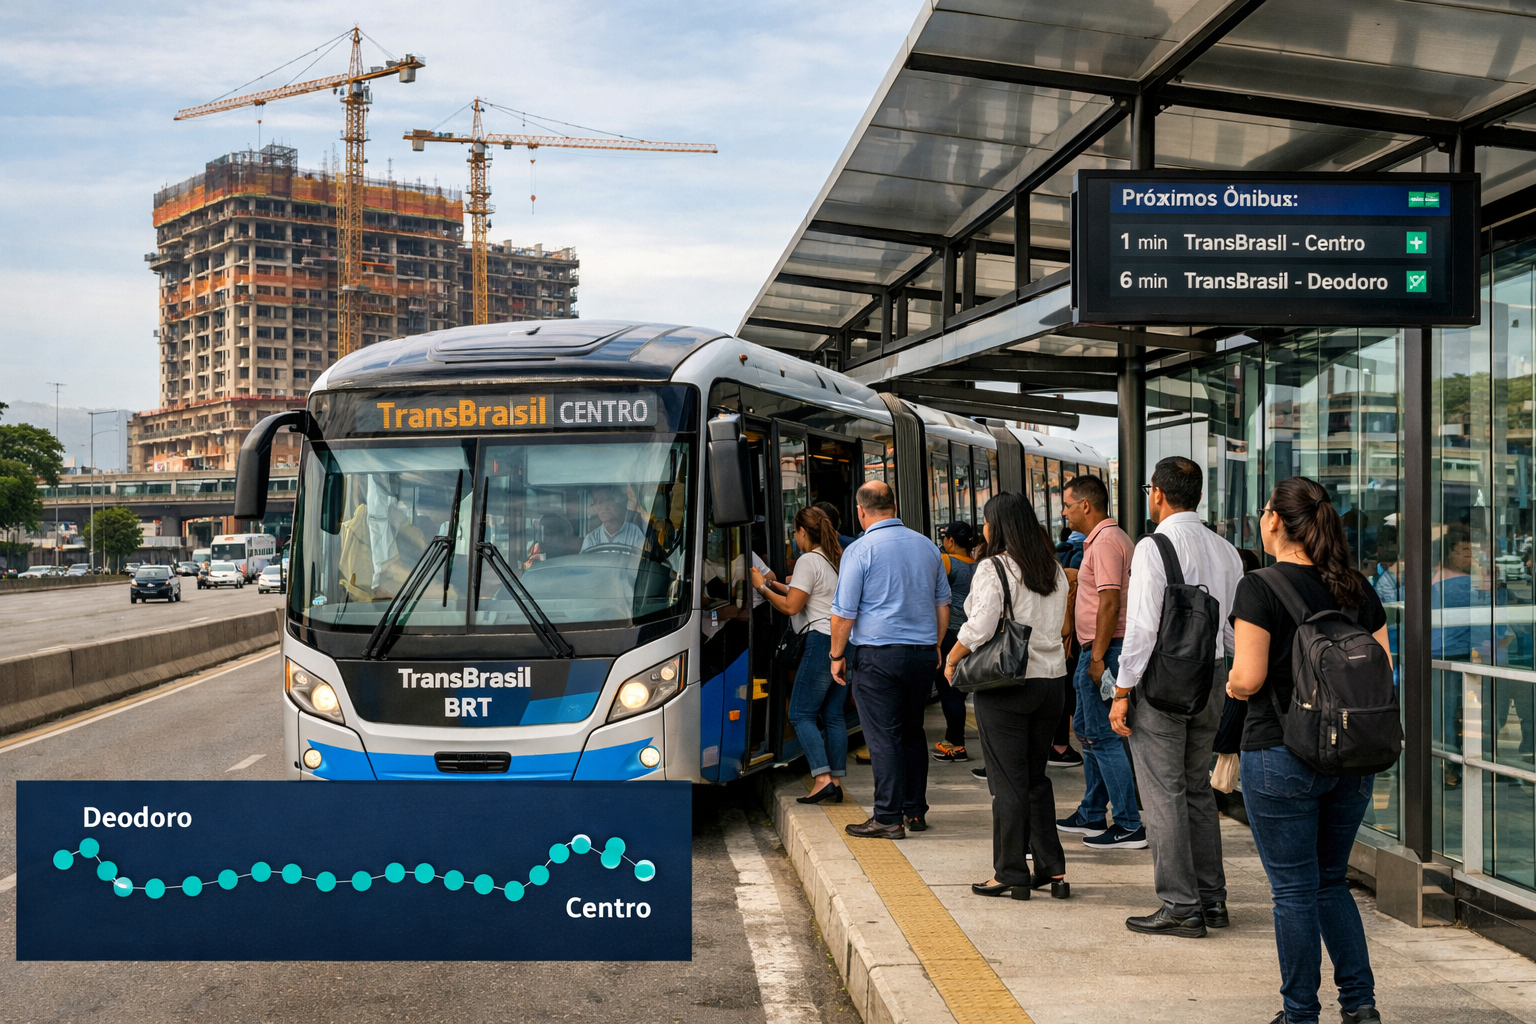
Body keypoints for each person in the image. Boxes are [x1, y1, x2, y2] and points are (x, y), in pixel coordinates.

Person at [1226, 476, 1390, 1024]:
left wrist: (1231, 686)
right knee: (1329, 881)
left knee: (1292, 890)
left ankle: (1300, 1014)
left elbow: (1247, 678)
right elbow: (1382, 673)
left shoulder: (1260, 586)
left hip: (1280, 752)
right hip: (1352, 755)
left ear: (1274, 519)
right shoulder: (1357, 587)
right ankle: (1360, 1005)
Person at [1110, 457, 1244, 938]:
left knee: (1162, 793)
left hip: (1163, 684)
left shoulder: (1154, 546)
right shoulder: (1227, 550)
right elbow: (1231, 630)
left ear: (1158, 495)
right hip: (1212, 677)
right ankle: (1213, 901)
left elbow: (1143, 627)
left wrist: (1122, 691)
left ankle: (1179, 904)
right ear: (1199, 497)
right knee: (1196, 790)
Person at [945, 493, 1072, 901]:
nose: (982, 528)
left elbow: (979, 626)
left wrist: (952, 658)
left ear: (996, 526)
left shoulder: (994, 567)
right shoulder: (1053, 568)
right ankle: (1052, 870)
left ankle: (1010, 872)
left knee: (1007, 783)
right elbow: (1061, 624)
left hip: (1008, 686)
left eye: (985, 521)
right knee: (1035, 779)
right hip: (1051, 683)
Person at [831, 480, 951, 839]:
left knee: (883, 737)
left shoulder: (859, 550)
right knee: (913, 733)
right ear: (894, 505)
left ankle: (887, 817)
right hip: (920, 656)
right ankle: (915, 811)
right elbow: (942, 604)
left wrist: (837, 655)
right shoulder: (928, 546)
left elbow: (844, 614)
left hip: (878, 657)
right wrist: (936, 646)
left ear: (861, 511)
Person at [1054, 474, 1145, 850]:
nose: (1064, 512)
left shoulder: (1106, 542)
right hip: (1102, 646)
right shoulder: (1110, 539)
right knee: (1089, 733)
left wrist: (1095, 656)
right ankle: (1093, 811)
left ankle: (1127, 823)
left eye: (1067, 504)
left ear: (1085, 505)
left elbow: (1110, 601)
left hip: (1104, 648)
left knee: (1103, 738)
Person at [751, 507, 846, 803]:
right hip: (843, 643)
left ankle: (822, 777)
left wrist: (762, 590)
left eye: (794, 532)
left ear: (803, 532)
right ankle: (837, 779)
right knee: (832, 715)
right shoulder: (834, 560)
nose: (794, 538)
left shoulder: (808, 560)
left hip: (820, 643)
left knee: (800, 713)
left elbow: (792, 606)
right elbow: (803, 594)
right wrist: (774, 584)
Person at [934, 521, 978, 762]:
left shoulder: (946, 561)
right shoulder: (980, 565)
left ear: (950, 540)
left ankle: (955, 743)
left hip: (950, 633)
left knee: (949, 690)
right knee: (959, 691)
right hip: (970, 635)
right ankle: (954, 738)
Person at [581, 486, 648, 551]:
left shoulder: (635, 534)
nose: (602, 507)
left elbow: (641, 560)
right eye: (597, 502)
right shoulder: (591, 539)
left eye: (607, 500)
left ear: (620, 503)